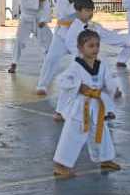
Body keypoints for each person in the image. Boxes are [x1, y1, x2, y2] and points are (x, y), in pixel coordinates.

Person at [52, 29, 122, 178]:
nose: (95, 49)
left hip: (97, 105)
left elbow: (108, 80)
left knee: (102, 132)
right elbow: (61, 80)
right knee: (72, 135)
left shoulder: (101, 65)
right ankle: (60, 165)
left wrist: (114, 90)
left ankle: (105, 159)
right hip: (80, 108)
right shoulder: (76, 66)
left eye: (97, 45)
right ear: (80, 48)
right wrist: (79, 86)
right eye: (91, 46)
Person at [35, 0, 79, 96]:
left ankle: (81, 83)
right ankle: (42, 85)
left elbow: (83, 8)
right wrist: (78, 5)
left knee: (83, 59)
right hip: (61, 34)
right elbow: (65, 12)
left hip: (75, 34)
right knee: (51, 59)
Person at [9, 0, 52, 74]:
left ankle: (47, 63)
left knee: (49, 39)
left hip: (39, 19)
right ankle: (14, 63)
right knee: (19, 40)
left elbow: (46, 6)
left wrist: (44, 19)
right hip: (26, 19)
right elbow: (24, 5)